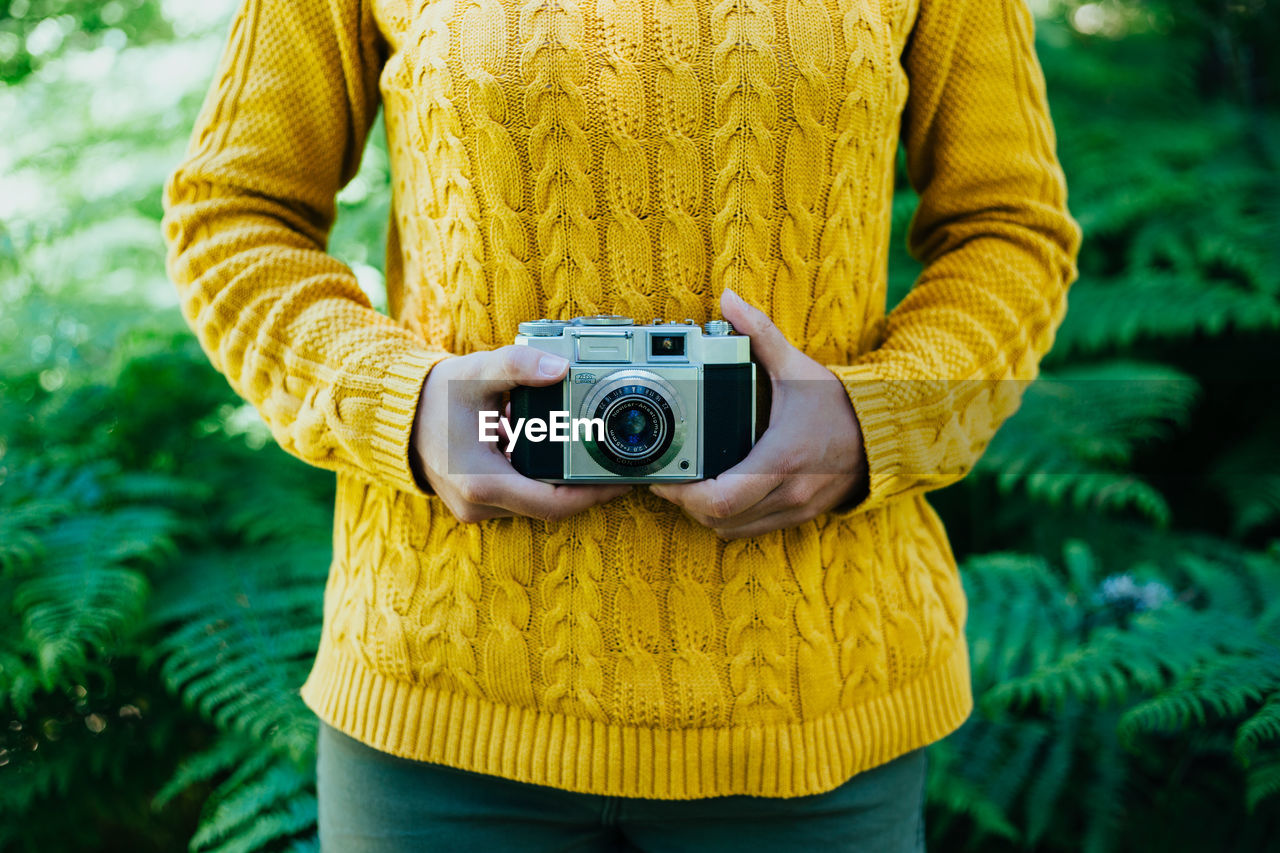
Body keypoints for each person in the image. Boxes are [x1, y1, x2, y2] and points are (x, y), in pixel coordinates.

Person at [160, 0, 1081, 847]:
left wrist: (873, 420)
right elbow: (235, 217)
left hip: (813, 718)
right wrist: (400, 402)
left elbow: (1010, 230)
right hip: (438, 704)